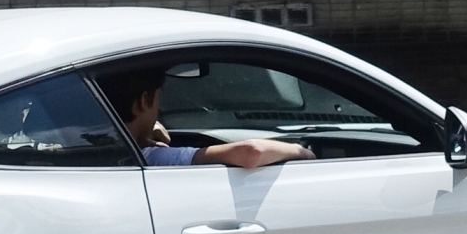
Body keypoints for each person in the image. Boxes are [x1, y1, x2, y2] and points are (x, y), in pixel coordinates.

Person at [100, 72, 314, 168]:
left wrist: (141, 135)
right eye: (158, 98)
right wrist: (302, 151)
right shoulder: (152, 158)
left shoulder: (74, 140)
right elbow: (252, 153)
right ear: (144, 101)